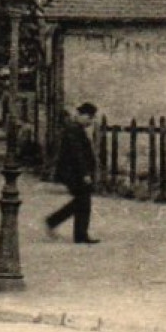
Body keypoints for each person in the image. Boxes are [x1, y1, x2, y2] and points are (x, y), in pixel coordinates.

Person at [45, 102, 100, 244]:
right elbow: (77, 154)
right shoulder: (73, 130)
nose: (90, 121)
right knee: (83, 201)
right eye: (89, 117)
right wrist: (85, 173)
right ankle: (78, 235)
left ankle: (58, 224)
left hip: (74, 173)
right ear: (81, 115)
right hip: (74, 173)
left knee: (81, 202)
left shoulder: (75, 128)